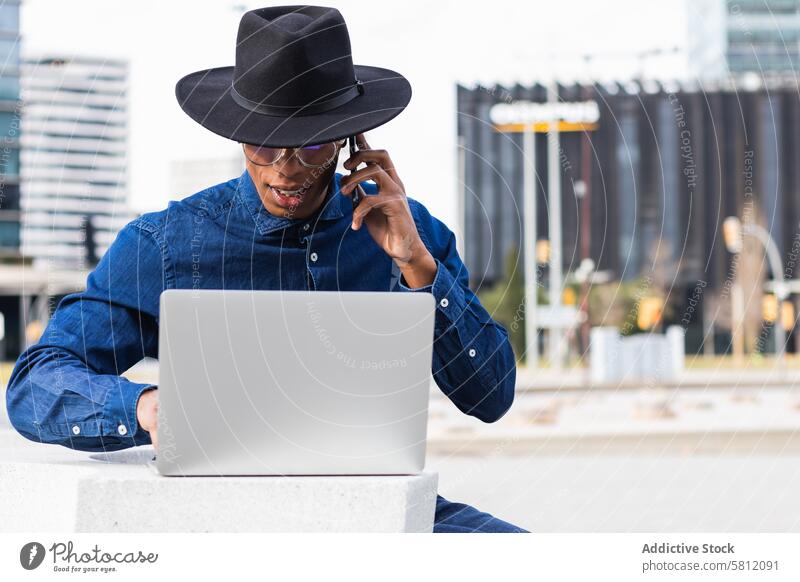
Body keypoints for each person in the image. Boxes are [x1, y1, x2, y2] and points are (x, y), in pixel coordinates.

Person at [5, 5, 527, 533]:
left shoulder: (413, 235)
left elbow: (491, 396)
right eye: (264, 143)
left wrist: (418, 267)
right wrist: (147, 407)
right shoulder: (164, 245)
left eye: (312, 144)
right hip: (223, 521)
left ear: (349, 141)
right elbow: (34, 384)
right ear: (238, 135)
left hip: (384, 512)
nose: (285, 167)